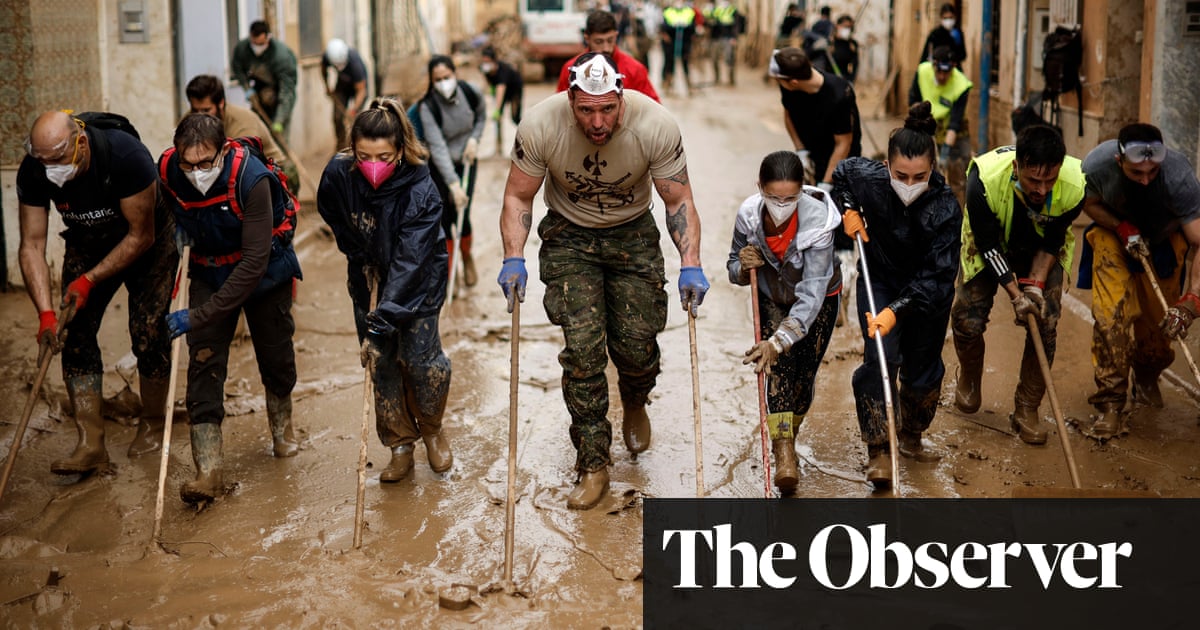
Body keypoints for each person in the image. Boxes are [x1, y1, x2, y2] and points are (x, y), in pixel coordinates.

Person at [496, 53, 709, 510]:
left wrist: (690, 260)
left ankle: (635, 397)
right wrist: (514, 257)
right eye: (586, 110)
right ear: (570, 98)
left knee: (635, 343)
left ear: (622, 99)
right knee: (583, 351)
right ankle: (592, 463)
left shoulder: (655, 125)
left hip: (632, 231)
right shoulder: (540, 125)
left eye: (607, 109)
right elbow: (518, 194)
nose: (597, 122)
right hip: (569, 236)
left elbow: (678, 200)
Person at [17, 110, 178, 475]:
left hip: (147, 240)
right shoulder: (35, 169)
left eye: (58, 159)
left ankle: (152, 424)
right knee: (73, 332)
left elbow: (141, 236)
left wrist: (89, 280)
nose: (50, 168)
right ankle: (91, 444)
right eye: (43, 161)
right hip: (87, 240)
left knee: (149, 332)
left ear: (81, 143)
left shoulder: (126, 158)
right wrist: (45, 313)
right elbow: (31, 244)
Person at [157, 113, 303, 504]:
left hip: (264, 273)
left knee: (276, 357)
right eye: (189, 164)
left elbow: (253, 264)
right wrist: (179, 231)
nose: (197, 172)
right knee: (203, 362)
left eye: (206, 164)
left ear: (222, 151)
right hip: (207, 269)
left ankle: (283, 433)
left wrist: (197, 315)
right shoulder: (169, 171)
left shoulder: (251, 180)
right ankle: (209, 470)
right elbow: (168, 213)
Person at [317, 98, 453, 482]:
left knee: (421, 361)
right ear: (352, 150)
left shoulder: (420, 187)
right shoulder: (339, 174)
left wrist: (381, 324)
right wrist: (359, 252)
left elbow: (411, 261)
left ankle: (432, 428)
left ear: (401, 151)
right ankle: (400, 445)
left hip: (419, 280)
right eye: (363, 155)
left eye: (383, 156)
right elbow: (333, 214)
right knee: (383, 365)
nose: (372, 165)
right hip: (368, 275)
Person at [832, 102, 962, 490]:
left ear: (933, 169)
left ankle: (911, 435)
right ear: (886, 167)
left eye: (919, 176)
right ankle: (879, 449)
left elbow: (940, 277)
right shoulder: (868, 178)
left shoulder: (946, 208)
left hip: (927, 297)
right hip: (881, 279)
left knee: (922, 375)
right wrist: (848, 210)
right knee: (881, 361)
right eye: (900, 175)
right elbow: (841, 174)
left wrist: (896, 310)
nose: (908, 184)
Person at [950, 125, 1085, 445]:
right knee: (967, 317)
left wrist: (1034, 289)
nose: (1041, 189)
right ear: (1016, 167)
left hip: (1041, 243)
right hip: (991, 241)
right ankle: (969, 376)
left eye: (1049, 180)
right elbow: (988, 247)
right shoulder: (983, 181)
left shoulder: (1075, 186)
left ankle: (1027, 408)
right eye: (1033, 180)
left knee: (1046, 319)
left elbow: (1053, 242)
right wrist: (1014, 295)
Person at [728, 151, 842, 493]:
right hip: (771, 298)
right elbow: (733, 266)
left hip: (819, 301)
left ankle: (789, 431)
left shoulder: (819, 222)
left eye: (790, 198)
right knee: (777, 373)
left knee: (803, 378)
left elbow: (811, 293)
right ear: (759, 188)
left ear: (802, 191)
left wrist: (779, 340)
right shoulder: (748, 217)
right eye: (774, 197)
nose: (782, 205)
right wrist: (741, 266)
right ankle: (783, 451)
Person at [1078, 123, 1200, 439]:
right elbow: (1089, 204)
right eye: (1136, 173)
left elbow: (1199, 241)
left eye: (1152, 172)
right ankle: (1111, 403)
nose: (1146, 180)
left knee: (1161, 330)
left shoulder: (1178, 176)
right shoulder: (1097, 165)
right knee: (1111, 317)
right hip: (1113, 236)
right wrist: (1122, 227)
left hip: (1164, 240)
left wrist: (1192, 300)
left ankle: (1146, 375)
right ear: (1120, 162)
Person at [416, 55, 486, 287]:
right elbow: (437, 147)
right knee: (444, 218)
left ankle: (466, 257)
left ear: (455, 74)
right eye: (438, 79)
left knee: (463, 215)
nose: (443, 83)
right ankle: (449, 272)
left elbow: (481, 117)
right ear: (431, 81)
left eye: (447, 77)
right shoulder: (428, 106)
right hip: (440, 165)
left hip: (467, 159)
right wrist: (453, 184)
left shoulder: (470, 92)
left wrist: (474, 140)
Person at [185, 74, 299, 195]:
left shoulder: (243, 124)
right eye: (195, 110)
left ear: (221, 104)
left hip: (267, 172)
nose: (199, 116)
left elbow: (244, 169)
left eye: (206, 110)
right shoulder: (190, 120)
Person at [769, 47, 862, 192]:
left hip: (841, 163)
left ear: (793, 82)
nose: (778, 84)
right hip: (813, 155)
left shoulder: (840, 95)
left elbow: (843, 143)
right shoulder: (790, 82)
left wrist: (826, 184)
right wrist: (801, 151)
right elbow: (788, 114)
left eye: (779, 81)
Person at [557, 10, 661, 103]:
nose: (606, 48)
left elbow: (653, 110)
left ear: (616, 35)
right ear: (587, 38)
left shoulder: (635, 70)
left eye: (610, 40)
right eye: (599, 42)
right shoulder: (571, 70)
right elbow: (560, 110)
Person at [909, 46, 972, 176]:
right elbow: (913, 101)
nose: (942, 76)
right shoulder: (922, 72)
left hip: (955, 131)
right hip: (929, 123)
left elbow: (955, 122)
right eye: (939, 72)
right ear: (933, 66)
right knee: (928, 171)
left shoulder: (962, 84)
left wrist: (945, 151)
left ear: (953, 68)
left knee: (959, 169)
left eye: (946, 72)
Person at [230, 20, 298, 138]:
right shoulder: (243, 49)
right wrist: (247, 89)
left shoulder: (282, 56)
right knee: (258, 136)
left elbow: (287, 90)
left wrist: (279, 120)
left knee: (279, 139)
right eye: (254, 44)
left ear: (268, 38)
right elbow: (238, 69)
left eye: (261, 44)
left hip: (280, 97)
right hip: (258, 94)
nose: (257, 48)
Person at [322, 38, 368, 151]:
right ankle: (341, 146)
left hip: (359, 88)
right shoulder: (328, 56)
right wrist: (327, 86)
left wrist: (353, 110)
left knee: (357, 120)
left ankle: (359, 148)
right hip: (343, 85)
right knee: (337, 117)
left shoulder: (355, 64)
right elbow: (323, 69)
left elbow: (361, 91)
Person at [480, 46, 525, 150]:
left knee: (515, 117)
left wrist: (497, 109)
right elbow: (488, 82)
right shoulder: (485, 69)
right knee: (498, 119)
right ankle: (498, 147)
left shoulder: (503, 71)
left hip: (514, 89)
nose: (485, 64)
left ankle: (525, 140)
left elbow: (501, 90)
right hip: (501, 89)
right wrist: (491, 90)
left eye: (488, 61)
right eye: (484, 61)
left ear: (494, 61)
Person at [661, 0, 699, 94]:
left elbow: (693, 28)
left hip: (685, 43)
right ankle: (668, 86)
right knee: (670, 64)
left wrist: (687, 26)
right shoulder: (667, 12)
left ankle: (689, 87)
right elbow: (663, 27)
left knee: (685, 65)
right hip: (671, 43)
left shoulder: (689, 12)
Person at [702, 0, 741, 85]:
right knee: (714, 58)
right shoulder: (715, 10)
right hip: (715, 38)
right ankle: (717, 78)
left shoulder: (732, 10)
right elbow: (707, 22)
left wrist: (734, 38)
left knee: (729, 58)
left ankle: (731, 79)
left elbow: (737, 25)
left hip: (728, 38)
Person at [921, 3, 966, 68]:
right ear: (941, 18)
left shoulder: (957, 34)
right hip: (937, 69)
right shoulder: (935, 35)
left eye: (950, 17)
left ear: (955, 17)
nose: (948, 21)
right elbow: (926, 56)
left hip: (953, 69)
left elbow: (963, 55)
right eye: (945, 18)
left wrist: (957, 45)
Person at [830, 14, 859, 84]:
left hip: (844, 80)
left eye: (849, 28)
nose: (847, 30)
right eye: (845, 27)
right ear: (837, 26)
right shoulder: (830, 43)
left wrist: (850, 81)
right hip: (829, 79)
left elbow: (854, 66)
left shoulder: (852, 45)